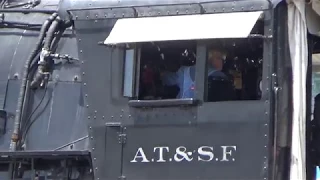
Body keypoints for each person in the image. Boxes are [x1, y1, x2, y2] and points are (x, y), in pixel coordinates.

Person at [161, 48, 228, 99]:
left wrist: (161, 73)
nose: (223, 61)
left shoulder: (183, 71)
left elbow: (166, 79)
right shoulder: (220, 76)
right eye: (219, 58)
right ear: (209, 58)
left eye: (223, 58)